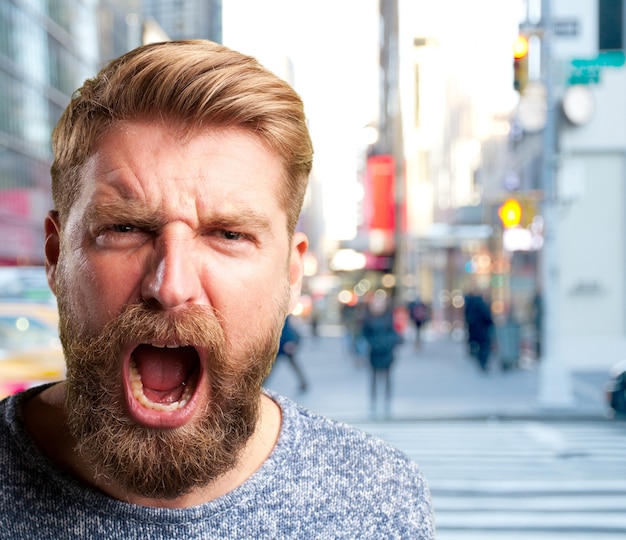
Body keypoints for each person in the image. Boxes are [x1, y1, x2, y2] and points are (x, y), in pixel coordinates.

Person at [0, 41, 434, 538]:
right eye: (125, 229)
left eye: (229, 235)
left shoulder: (377, 501)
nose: (172, 286)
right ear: (56, 257)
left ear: (292, 275)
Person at [362, 293, 403, 416]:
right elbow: (364, 334)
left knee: (387, 377)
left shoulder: (389, 317)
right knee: (374, 377)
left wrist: (389, 342)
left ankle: (387, 401)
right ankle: (373, 402)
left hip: (387, 351)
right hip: (374, 351)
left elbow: (395, 332)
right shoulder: (368, 318)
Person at [274, 314, 308, 393]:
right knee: (293, 365)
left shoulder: (283, 316)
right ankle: (303, 383)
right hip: (283, 343)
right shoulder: (284, 315)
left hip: (283, 343)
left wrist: (291, 341)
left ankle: (303, 383)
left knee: (270, 367)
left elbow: (287, 330)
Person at [463, 288, 494, 372]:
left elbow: (467, 318)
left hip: (474, 329)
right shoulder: (481, 305)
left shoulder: (470, 305)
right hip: (482, 329)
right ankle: (482, 362)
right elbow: (487, 317)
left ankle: (478, 357)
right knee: (484, 345)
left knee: (477, 344)